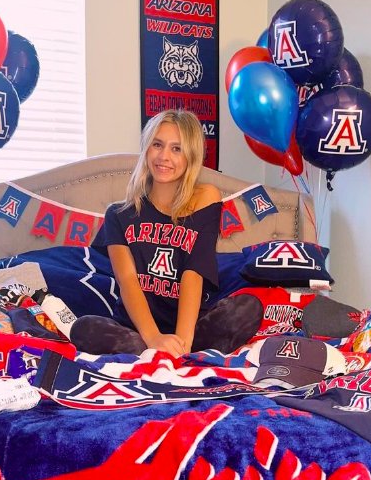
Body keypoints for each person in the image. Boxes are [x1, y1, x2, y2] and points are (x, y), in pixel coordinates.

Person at [69, 110, 262, 357]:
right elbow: (128, 280)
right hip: (136, 330)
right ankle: (144, 350)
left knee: (247, 308)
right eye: (157, 144)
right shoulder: (118, 214)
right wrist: (152, 337)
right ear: (146, 148)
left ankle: (171, 352)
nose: (164, 157)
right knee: (83, 328)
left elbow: (194, 271)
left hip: (189, 329)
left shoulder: (205, 198)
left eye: (177, 149)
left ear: (191, 156)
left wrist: (182, 344)